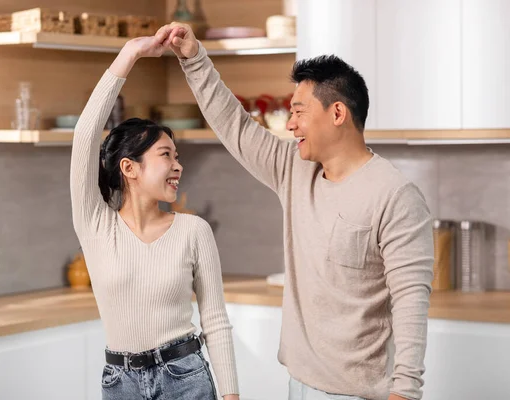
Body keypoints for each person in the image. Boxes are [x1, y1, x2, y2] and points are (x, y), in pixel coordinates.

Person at [156, 23, 434, 400]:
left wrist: (405, 392)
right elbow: (234, 125)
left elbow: (411, 303)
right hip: (298, 386)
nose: (290, 124)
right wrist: (193, 58)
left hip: (358, 394)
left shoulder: (395, 194)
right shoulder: (294, 169)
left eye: (299, 112)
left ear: (337, 113)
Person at [70, 34, 240, 400]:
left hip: (186, 376)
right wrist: (129, 54)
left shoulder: (193, 230)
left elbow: (215, 321)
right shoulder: (96, 225)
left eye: (177, 156)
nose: (178, 166)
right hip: (121, 382)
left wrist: (231, 396)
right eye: (166, 155)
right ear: (129, 167)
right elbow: (84, 136)